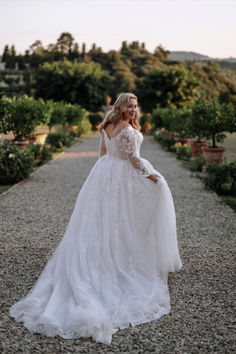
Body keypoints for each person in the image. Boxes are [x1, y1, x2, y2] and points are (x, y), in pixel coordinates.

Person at [9, 92, 182, 345]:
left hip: (104, 173)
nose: (133, 110)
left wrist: (109, 174)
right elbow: (133, 159)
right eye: (129, 106)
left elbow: (103, 153)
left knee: (102, 221)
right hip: (122, 174)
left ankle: (109, 252)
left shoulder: (107, 124)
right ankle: (118, 259)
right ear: (121, 106)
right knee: (123, 221)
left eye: (135, 106)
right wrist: (154, 177)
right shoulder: (126, 129)